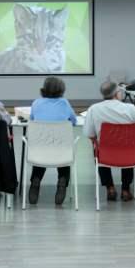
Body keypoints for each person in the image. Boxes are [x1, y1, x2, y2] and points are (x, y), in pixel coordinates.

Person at [84, 82, 135, 202]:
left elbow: (90, 135)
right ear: (117, 94)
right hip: (130, 155)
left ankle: (110, 188)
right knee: (128, 147)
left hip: (106, 155)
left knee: (97, 149)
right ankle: (126, 190)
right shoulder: (130, 108)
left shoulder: (93, 109)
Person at [28, 77, 78, 206]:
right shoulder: (64, 103)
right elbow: (73, 121)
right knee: (64, 154)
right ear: (61, 89)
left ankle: (35, 182)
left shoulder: (36, 103)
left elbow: (32, 120)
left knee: (42, 153)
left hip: (40, 150)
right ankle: (62, 183)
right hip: (61, 151)